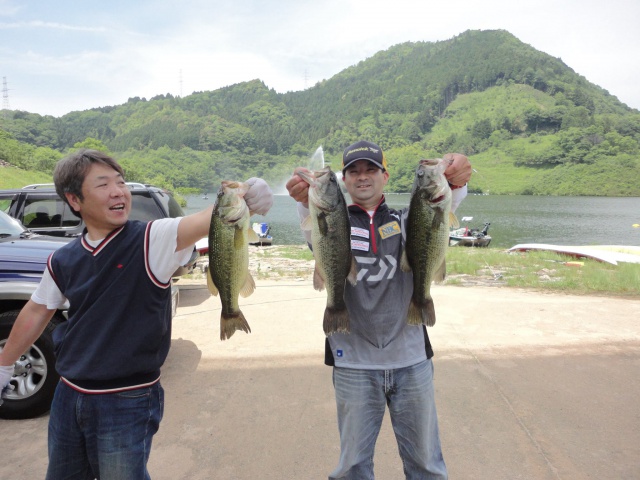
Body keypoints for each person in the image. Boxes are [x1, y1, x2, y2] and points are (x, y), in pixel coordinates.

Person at [0, 149, 273, 479]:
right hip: (68, 393)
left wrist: (249, 193)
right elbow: (36, 311)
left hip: (127, 400)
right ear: (74, 200)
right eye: (104, 185)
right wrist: (4, 365)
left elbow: (209, 219)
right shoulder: (63, 258)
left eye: (121, 182)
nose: (118, 191)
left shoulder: (150, 239)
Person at [286, 140, 471, 479]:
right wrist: (302, 198)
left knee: (427, 465)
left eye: (371, 169)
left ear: (385, 176)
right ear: (343, 181)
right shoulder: (333, 220)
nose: (363, 176)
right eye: (353, 171)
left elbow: (444, 204)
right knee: (352, 467)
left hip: (411, 361)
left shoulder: (407, 219)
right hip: (353, 364)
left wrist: (458, 176)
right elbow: (314, 221)